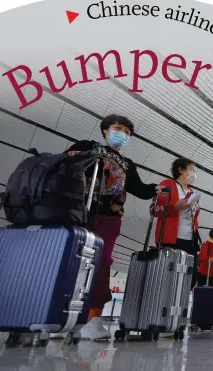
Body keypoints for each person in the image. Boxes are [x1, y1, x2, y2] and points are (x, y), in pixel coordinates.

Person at [66, 114, 161, 341]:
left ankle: (92, 319)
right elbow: (67, 161)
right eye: (119, 129)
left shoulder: (128, 163)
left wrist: (155, 188)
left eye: (128, 133)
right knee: (71, 259)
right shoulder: (88, 146)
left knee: (102, 263)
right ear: (106, 130)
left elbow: (139, 189)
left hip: (110, 217)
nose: (123, 135)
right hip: (79, 211)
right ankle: (61, 314)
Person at [151, 157, 201, 286]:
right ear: (180, 170)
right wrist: (175, 206)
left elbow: (194, 218)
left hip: (190, 240)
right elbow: (154, 209)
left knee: (188, 278)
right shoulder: (167, 184)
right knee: (168, 276)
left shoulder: (193, 192)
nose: (194, 173)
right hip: (171, 239)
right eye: (191, 169)